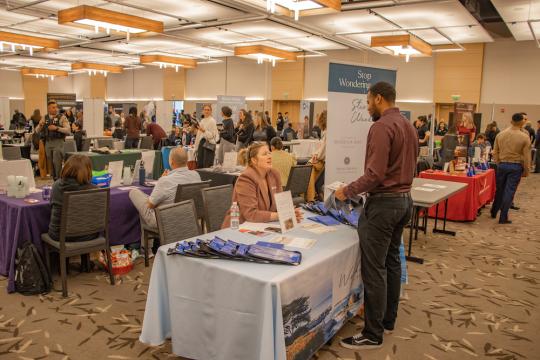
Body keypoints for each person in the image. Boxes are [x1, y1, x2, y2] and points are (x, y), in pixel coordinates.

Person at [335, 82, 417, 350]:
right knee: (392, 262)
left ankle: (372, 332)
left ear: (379, 98)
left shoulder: (381, 127)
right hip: (405, 202)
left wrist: (346, 191)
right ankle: (387, 320)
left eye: (368, 101)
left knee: (374, 270)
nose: (367, 105)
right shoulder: (409, 126)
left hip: (383, 206)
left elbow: (375, 175)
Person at [129, 147, 201, 252]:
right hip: (187, 217)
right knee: (150, 202)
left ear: (171, 162)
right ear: (186, 161)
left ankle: (147, 250)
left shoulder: (165, 181)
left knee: (135, 193)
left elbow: (149, 205)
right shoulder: (196, 175)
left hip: (165, 219)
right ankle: (146, 249)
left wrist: (160, 182)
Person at [222, 142, 302, 227]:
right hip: (239, 227)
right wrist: (280, 215)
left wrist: (290, 213)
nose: (269, 156)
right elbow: (250, 214)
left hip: (264, 225)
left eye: (269, 153)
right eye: (264, 154)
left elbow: (281, 204)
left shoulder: (274, 174)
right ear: (254, 160)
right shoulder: (246, 178)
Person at [491, 113, 531, 224]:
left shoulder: (501, 134)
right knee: (509, 191)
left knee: (499, 189)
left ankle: (494, 211)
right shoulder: (524, 137)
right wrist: (526, 171)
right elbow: (527, 157)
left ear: (511, 121)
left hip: (502, 165)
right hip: (515, 166)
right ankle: (503, 217)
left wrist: (499, 163)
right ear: (522, 122)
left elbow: (495, 152)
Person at [48, 154, 96, 242]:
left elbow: (50, 207)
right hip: (89, 235)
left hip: (59, 235)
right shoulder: (94, 190)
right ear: (88, 171)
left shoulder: (56, 186)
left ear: (66, 167)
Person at [35, 101, 70, 180]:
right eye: (53, 107)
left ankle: (58, 180)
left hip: (58, 142)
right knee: (50, 164)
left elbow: (68, 130)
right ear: (49, 109)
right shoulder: (45, 117)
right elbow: (36, 130)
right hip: (48, 143)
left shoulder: (62, 117)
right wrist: (40, 126)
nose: (55, 109)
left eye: (56, 107)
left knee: (57, 162)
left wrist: (57, 128)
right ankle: (54, 180)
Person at [306, 111, 327, 202]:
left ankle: (312, 197)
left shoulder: (327, 132)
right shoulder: (328, 131)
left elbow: (323, 151)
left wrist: (316, 155)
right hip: (325, 161)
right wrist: (316, 154)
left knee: (310, 167)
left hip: (325, 162)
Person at [194, 104, 219, 168]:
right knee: (200, 163)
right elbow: (198, 135)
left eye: (208, 110)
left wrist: (204, 131)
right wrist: (196, 147)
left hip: (209, 145)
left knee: (207, 165)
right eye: (205, 110)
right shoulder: (202, 121)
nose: (206, 111)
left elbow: (212, 135)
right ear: (202, 111)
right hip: (202, 143)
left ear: (211, 111)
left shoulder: (212, 121)